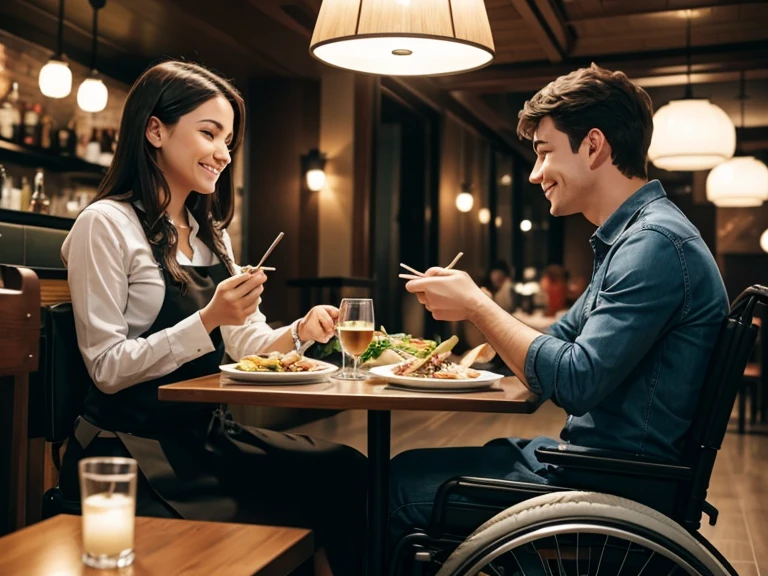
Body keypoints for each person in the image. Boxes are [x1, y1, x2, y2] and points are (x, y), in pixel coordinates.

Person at [388, 64, 729, 547]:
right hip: (592, 467)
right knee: (407, 467)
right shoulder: (634, 236)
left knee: (396, 488)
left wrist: (479, 308)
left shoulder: (653, 243)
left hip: (610, 484)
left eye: (545, 153)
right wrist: (479, 313)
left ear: (593, 146)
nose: (535, 173)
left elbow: (574, 380)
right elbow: (559, 343)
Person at [58, 60, 365, 576]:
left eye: (228, 139)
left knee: (347, 470)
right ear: (155, 129)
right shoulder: (104, 224)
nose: (224, 153)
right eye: (210, 133)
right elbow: (107, 368)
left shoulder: (211, 234)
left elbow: (246, 344)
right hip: (131, 450)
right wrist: (206, 319)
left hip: (206, 436)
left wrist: (299, 333)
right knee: (281, 516)